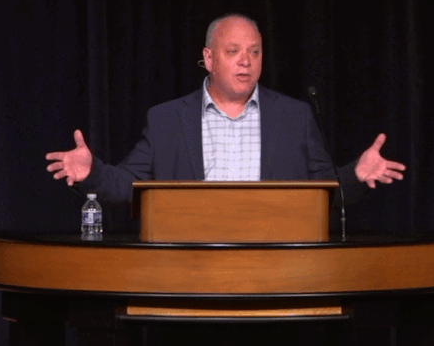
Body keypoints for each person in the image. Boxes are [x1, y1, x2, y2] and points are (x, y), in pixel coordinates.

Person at [46, 13, 405, 205]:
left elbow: (325, 196)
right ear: (208, 58)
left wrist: (355, 176)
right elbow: (129, 185)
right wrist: (92, 173)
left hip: (277, 269)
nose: (245, 62)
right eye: (233, 51)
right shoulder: (167, 120)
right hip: (192, 268)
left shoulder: (294, 117)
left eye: (254, 51)